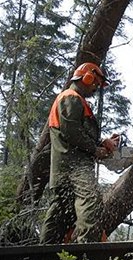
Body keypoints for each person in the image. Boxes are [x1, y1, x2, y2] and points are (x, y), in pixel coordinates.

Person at [40, 62, 120, 244]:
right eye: (95, 84)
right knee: (90, 202)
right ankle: (87, 252)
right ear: (87, 77)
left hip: (63, 166)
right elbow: (72, 132)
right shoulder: (71, 97)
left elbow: (75, 131)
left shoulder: (72, 99)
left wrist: (103, 142)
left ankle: (45, 254)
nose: (95, 89)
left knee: (61, 210)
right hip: (74, 165)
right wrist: (95, 150)